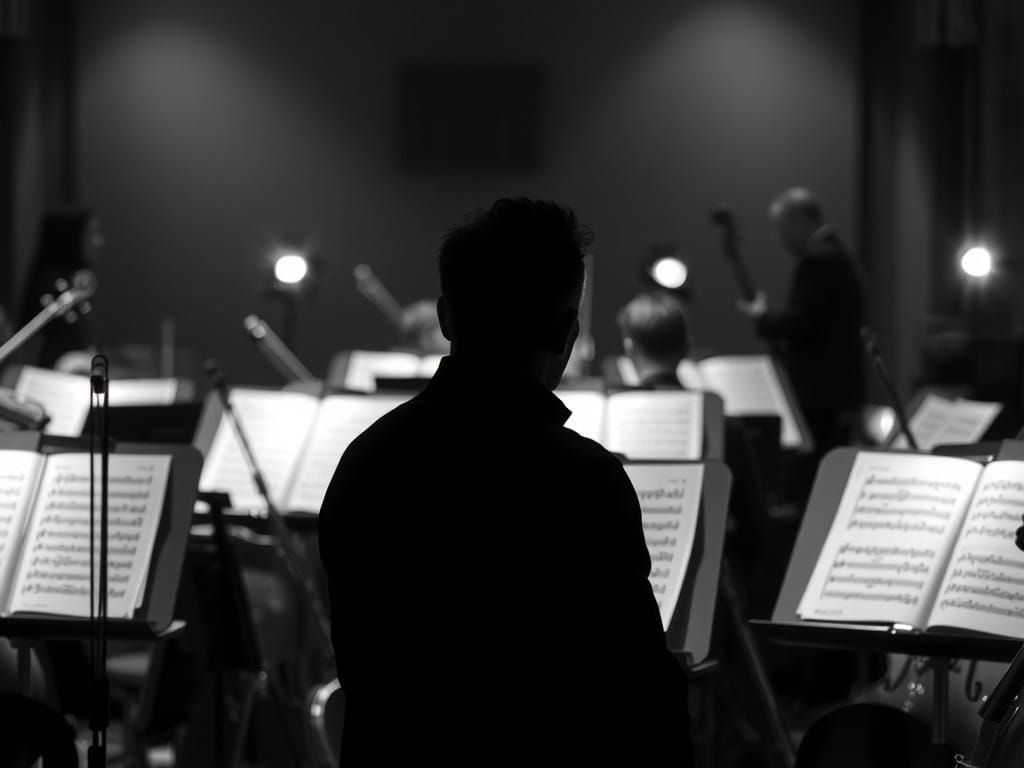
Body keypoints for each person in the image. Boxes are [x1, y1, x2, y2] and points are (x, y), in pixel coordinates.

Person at [319, 199, 691, 765]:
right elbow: (638, 697)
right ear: (567, 334)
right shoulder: (584, 480)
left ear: (445, 318)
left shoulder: (366, 461)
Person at [737, 187, 865, 457]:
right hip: (838, 392)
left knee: (815, 469)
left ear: (799, 220)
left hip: (820, 395)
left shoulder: (817, 261)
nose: (779, 238)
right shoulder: (837, 253)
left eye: (780, 227)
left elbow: (802, 322)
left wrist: (762, 316)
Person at [18, 207, 103, 372]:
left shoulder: (77, 287)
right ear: (71, 237)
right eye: (92, 233)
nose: (100, 241)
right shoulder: (58, 291)